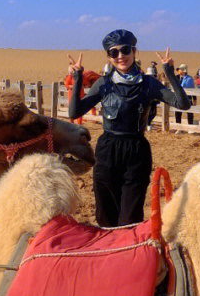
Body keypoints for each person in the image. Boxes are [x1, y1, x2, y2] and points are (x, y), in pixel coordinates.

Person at [68, 29, 190, 227]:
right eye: (113, 52)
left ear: (134, 51)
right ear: (108, 57)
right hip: (107, 151)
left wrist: (169, 73)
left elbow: (183, 104)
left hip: (136, 152)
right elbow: (74, 112)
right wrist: (77, 79)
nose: (120, 56)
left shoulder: (149, 84)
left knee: (129, 219)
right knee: (105, 217)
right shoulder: (104, 84)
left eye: (125, 50)